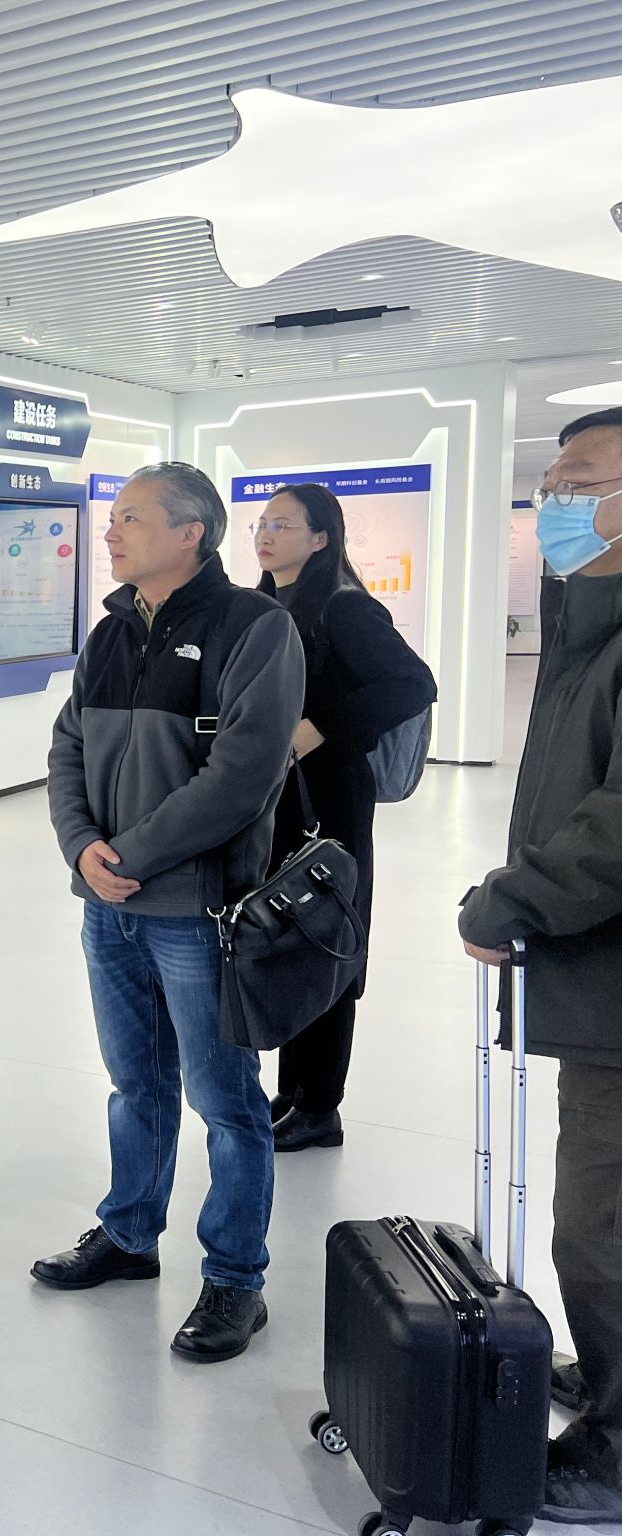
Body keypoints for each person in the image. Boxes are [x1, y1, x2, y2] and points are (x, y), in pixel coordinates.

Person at [34, 462, 304, 1364]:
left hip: (197, 909)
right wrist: (81, 846)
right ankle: (129, 1233)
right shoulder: (111, 629)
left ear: (192, 532)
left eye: (130, 518)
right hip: (106, 904)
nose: (110, 533)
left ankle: (235, 1278)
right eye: (112, 518)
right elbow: (67, 746)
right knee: (134, 1085)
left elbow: (242, 776)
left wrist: (132, 857)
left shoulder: (254, 627)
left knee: (226, 1103)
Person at [459, 406, 622, 1523]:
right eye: (551, 481)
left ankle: (616, 1454)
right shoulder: (587, 625)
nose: (554, 498)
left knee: (600, 1227)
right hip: (592, 978)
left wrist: (514, 897)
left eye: (580, 480)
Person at [252, 484, 436, 1152]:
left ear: (321, 538)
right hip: (277, 800)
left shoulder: (344, 606)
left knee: (325, 939)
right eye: (262, 522)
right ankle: (294, 1089)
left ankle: (320, 1105)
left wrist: (320, 728)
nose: (266, 534)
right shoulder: (265, 605)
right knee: (284, 938)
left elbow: (412, 684)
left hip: (327, 800)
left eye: (283, 524)